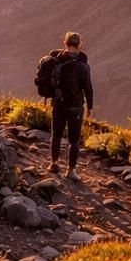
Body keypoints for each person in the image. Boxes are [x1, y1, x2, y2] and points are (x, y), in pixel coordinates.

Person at [49, 31, 93, 179]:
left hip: (59, 104)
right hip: (76, 106)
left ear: (65, 43)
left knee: (56, 135)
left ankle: (54, 164)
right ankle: (71, 170)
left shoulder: (57, 60)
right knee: (74, 140)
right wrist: (90, 106)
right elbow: (87, 87)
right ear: (79, 44)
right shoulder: (83, 65)